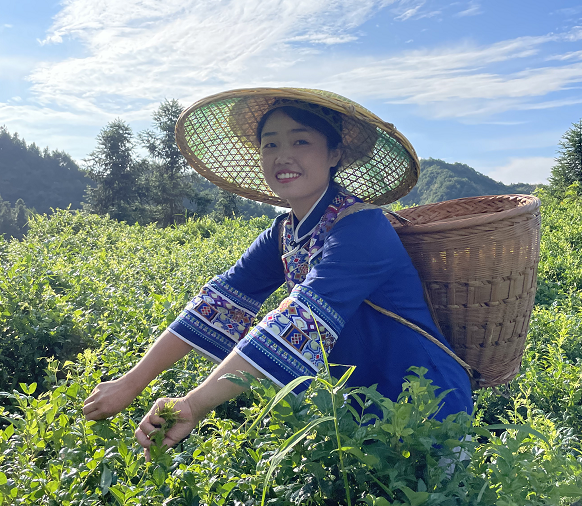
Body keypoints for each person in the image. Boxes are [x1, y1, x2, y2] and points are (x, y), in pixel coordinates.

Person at [82, 88, 473, 459]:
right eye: (270, 144)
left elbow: (299, 318)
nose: (282, 155)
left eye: (300, 141)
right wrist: (131, 383)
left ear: (334, 152)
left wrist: (193, 404)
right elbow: (215, 303)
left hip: (424, 404)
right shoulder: (284, 231)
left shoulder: (362, 227)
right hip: (353, 407)